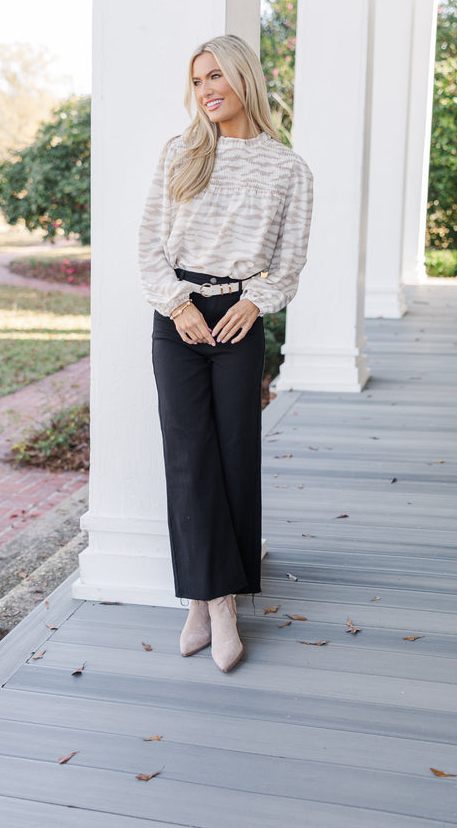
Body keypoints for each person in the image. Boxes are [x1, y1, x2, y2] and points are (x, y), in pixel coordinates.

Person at [138, 34, 312, 672]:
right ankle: (202, 597)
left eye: (216, 77)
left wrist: (254, 302)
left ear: (244, 79)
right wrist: (178, 306)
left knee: (234, 454)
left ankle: (227, 602)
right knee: (187, 457)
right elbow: (149, 246)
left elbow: (288, 264)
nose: (207, 90)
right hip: (178, 318)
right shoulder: (180, 154)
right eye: (198, 81)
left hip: (239, 317)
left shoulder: (288, 169)